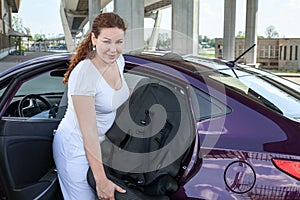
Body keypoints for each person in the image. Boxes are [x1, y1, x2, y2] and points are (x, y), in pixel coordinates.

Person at [53, 12, 129, 200]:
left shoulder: (119, 61)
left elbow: (118, 95)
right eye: (107, 41)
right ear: (94, 39)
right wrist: (101, 180)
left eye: (119, 42)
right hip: (75, 149)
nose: (113, 49)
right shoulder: (84, 75)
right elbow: (88, 131)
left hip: (102, 148)